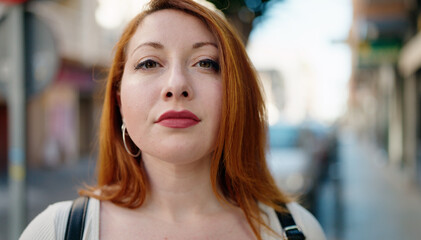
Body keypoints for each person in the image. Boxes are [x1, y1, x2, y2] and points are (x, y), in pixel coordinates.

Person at [20, 0, 326, 239]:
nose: (176, 85)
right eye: (149, 62)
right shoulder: (57, 231)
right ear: (119, 101)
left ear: (236, 95)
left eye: (205, 63)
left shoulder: (297, 230)